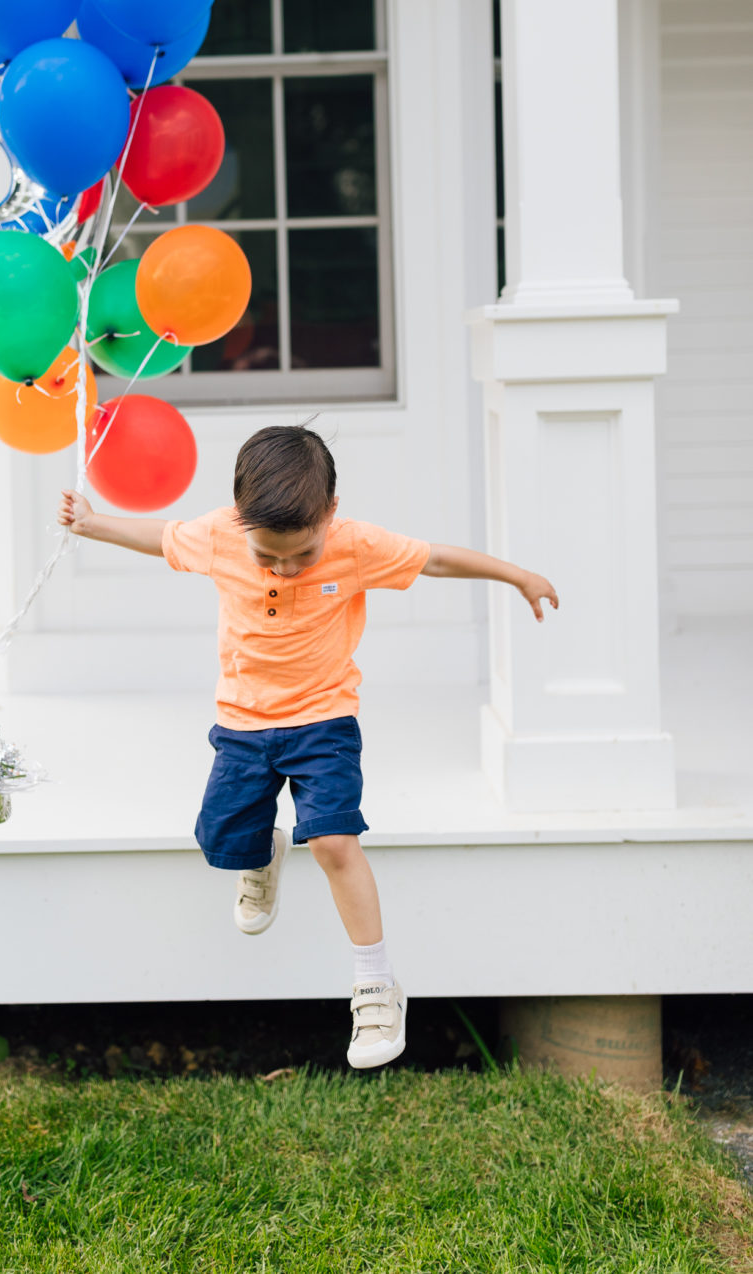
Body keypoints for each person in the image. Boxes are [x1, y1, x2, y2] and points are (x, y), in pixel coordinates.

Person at [58, 424, 557, 1070]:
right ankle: (263, 850)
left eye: (303, 554)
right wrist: (95, 524)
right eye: (270, 557)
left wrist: (515, 575)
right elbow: (162, 538)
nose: (287, 569)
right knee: (219, 838)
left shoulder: (355, 546)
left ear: (331, 516)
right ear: (240, 522)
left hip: (324, 720)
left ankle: (375, 986)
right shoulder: (218, 534)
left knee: (332, 841)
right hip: (243, 722)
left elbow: (435, 558)